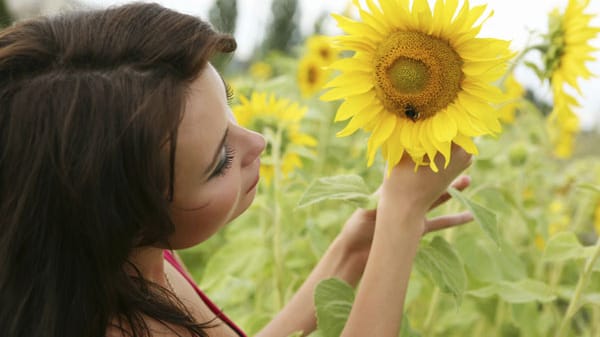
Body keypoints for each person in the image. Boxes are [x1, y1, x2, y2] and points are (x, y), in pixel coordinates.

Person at [0, 3, 474, 337]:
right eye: (220, 160)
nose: (257, 142)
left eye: (231, 106)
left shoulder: (140, 261)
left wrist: (350, 254)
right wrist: (402, 216)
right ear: (125, 217)